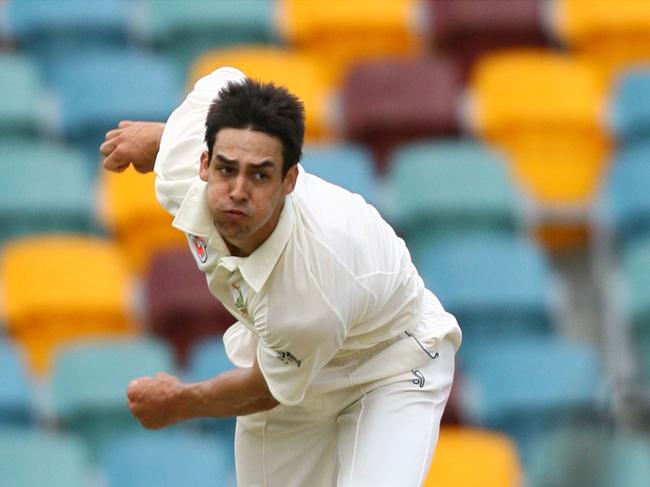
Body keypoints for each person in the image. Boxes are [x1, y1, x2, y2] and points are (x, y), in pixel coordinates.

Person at [100, 66, 461, 487]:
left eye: (260, 175)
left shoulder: (309, 285)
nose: (237, 190)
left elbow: (263, 389)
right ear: (203, 163)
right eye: (225, 168)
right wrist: (165, 138)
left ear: (289, 180)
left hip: (390, 364)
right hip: (295, 363)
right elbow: (225, 79)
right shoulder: (182, 165)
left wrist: (178, 402)